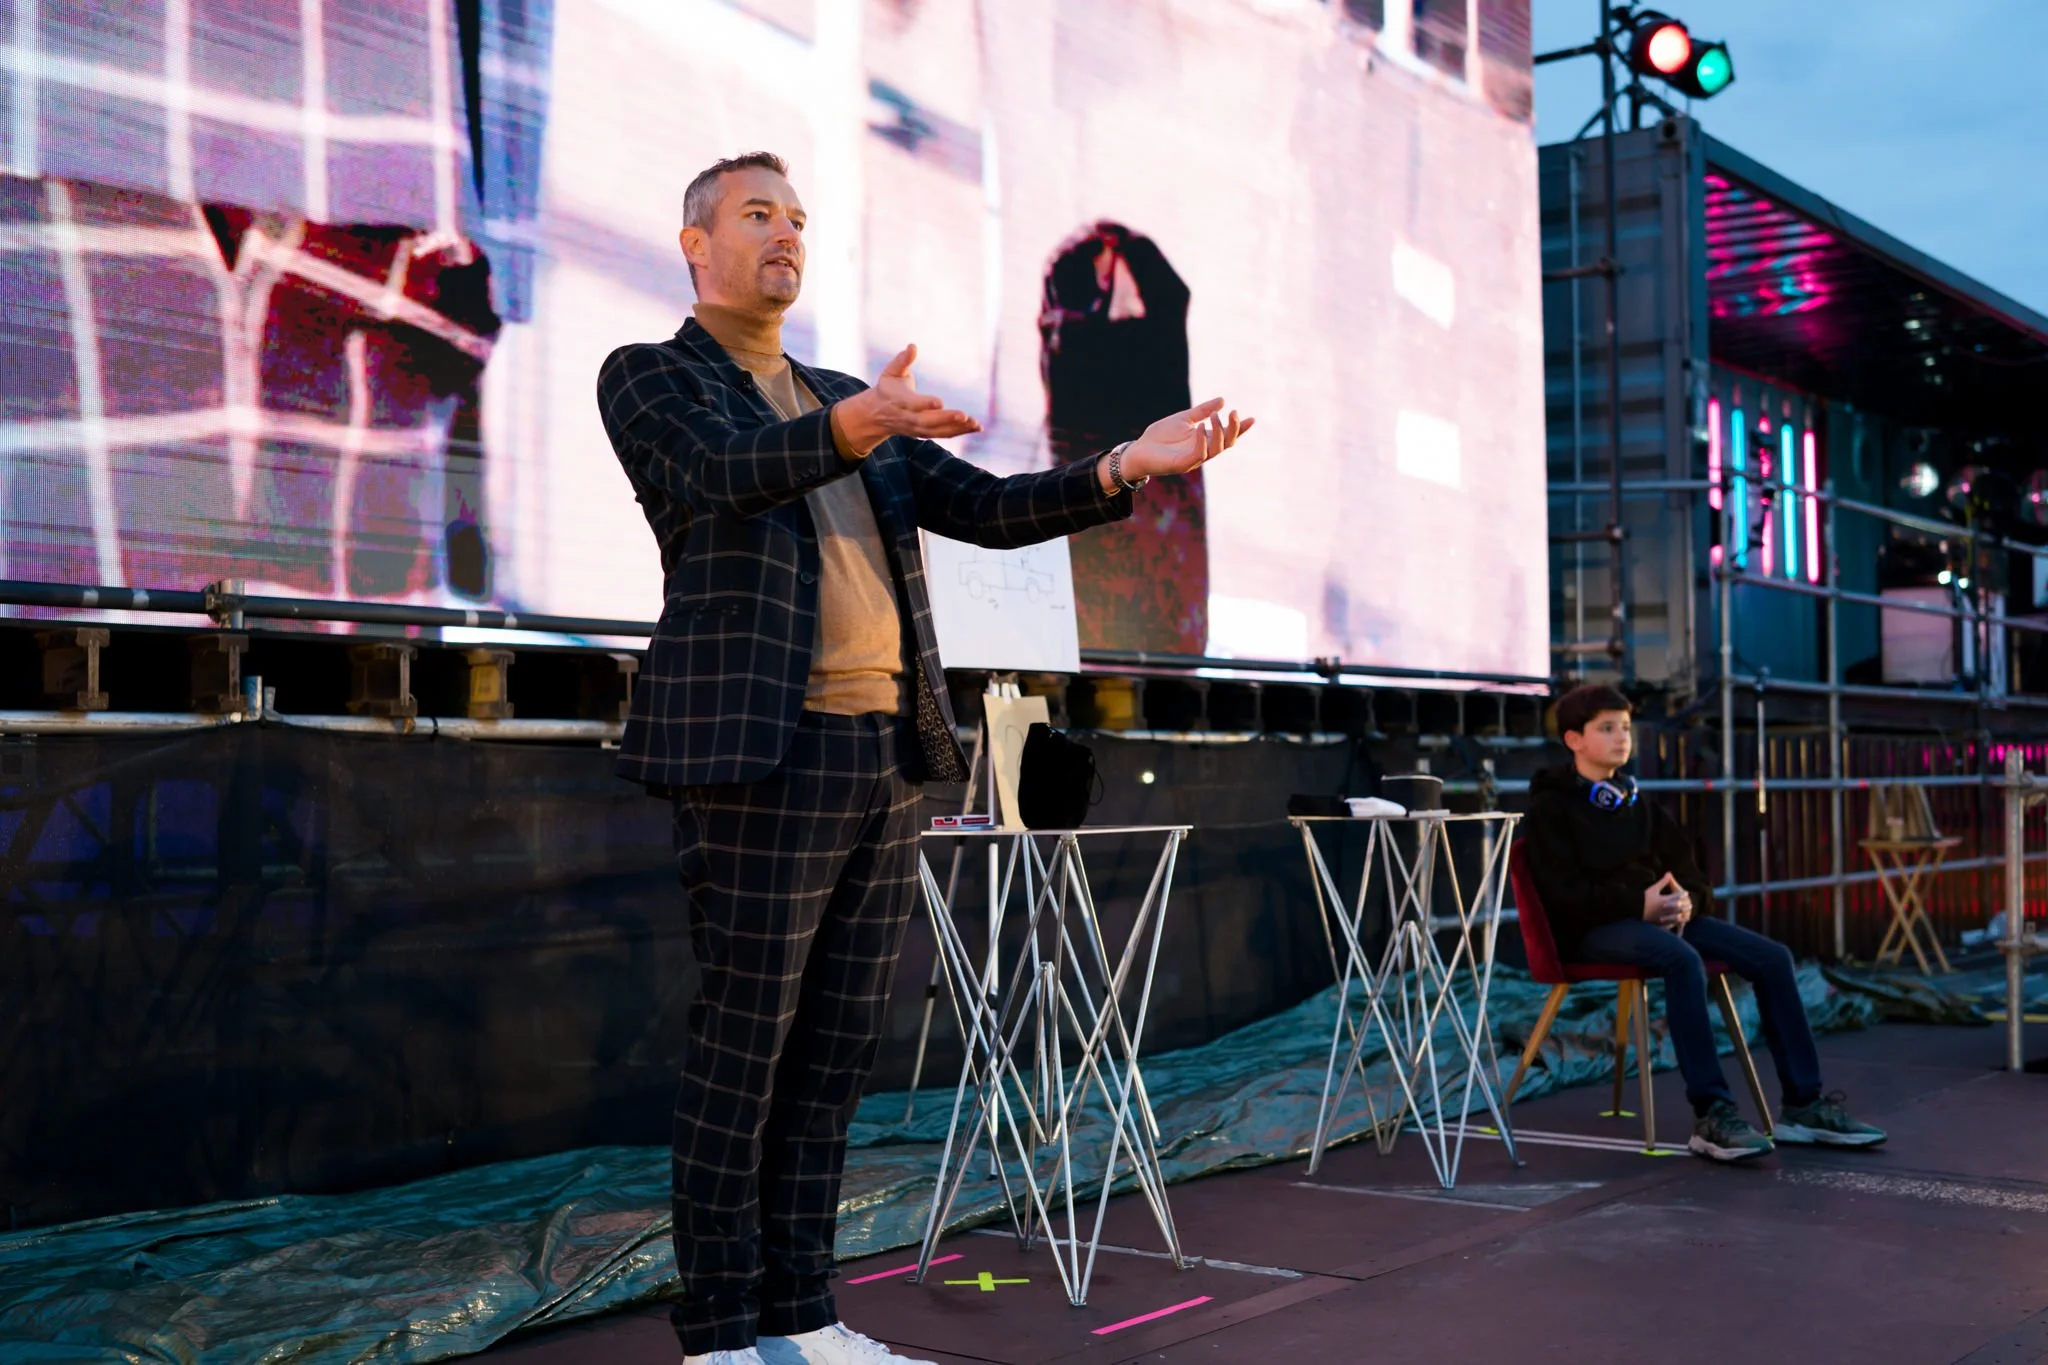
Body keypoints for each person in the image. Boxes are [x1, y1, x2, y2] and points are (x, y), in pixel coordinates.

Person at [594, 151, 1254, 1365]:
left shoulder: (846, 394)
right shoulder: (652, 377)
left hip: (886, 758)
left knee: (835, 1050)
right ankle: (722, 1336)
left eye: (795, 218)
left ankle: (804, 1316)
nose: (784, 234)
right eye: (756, 215)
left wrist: (1123, 467)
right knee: (746, 1048)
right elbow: (717, 478)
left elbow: (993, 508)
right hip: (759, 755)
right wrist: (850, 426)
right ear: (695, 243)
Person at [1523, 683, 1887, 1162]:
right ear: (1574, 740)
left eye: (1626, 728)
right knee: (1681, 960)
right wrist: (1640, 905)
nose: (1621, 738)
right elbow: (1562, 897)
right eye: (1606, 728)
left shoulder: (1637, 802)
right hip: (1592, 932)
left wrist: (1687, 902)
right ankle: (1712, 1115)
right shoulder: (1550, 809)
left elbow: (1692, 873)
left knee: (1773, 958)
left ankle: (1803, 1105)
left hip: (1656, 921)